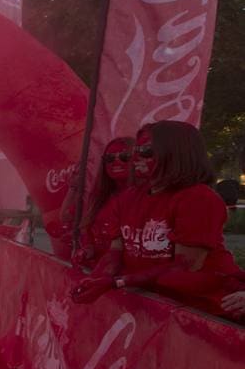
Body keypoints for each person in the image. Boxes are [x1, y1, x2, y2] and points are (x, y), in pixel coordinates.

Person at [72, 121, 243, 317]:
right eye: (135, 150)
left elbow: (185, 266)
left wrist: (117, 282)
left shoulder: (198, 198)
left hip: (211, 307)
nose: (135, 157)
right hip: (161, 307)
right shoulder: (128, 197)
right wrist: (95, 279)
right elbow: (116, 252)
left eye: (145, 150)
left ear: (175, 152)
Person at [72, 136, 137, 267]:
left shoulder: (146, 197)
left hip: (126, 278)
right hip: (97, 272)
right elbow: (87, 232)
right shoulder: (99, 196)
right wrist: (87, 249)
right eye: (110, 158)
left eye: (124, 156)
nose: (116, 162)